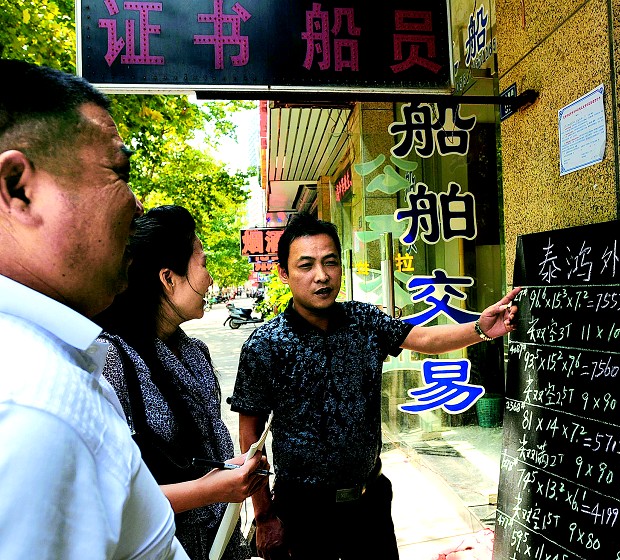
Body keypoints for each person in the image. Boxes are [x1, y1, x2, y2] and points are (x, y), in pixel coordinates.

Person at [231, 212, 521, 559]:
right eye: (306, 265)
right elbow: (250, 437)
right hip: (303, 513)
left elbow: (424, 339)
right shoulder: (265, 345)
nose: (321, 276)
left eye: (330, 262)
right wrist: (264, 516)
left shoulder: (364, 320)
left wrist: (480, 328)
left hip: (369, 504)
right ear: (284, 273)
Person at [0, 60, 187, 558]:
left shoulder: (53, 370)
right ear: (18, 188)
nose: (137, 205)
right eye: (119, 173)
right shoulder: (35, 406)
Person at [94, 205, 270, 560]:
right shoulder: (111, 360)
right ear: (168, 278)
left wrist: (232, 469)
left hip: (221, 544)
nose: (210, 279)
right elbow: (110, 499)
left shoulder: (195, 352)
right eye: (202, 264)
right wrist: (212, 490)